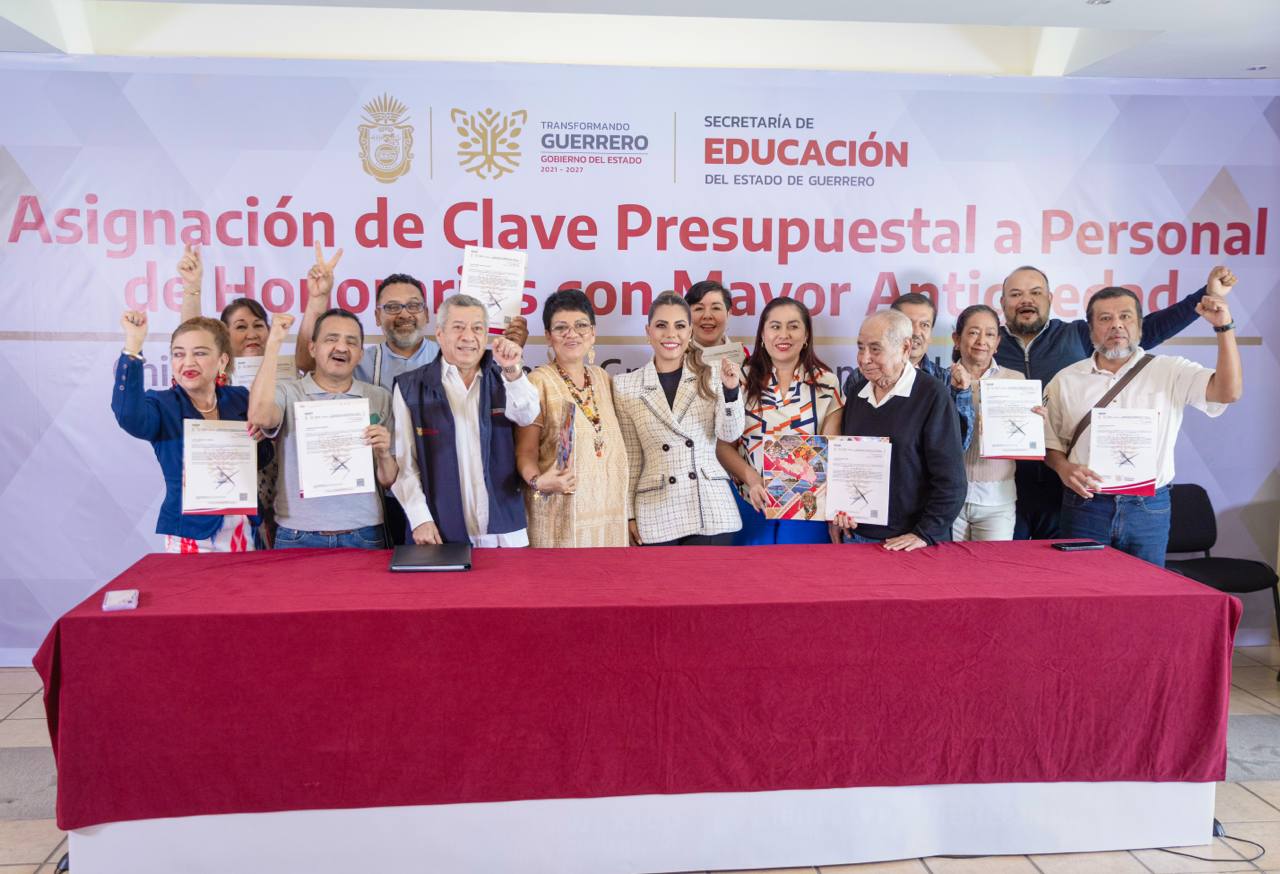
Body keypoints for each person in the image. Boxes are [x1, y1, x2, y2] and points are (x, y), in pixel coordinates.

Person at [997, 264, 1234, 539]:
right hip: (1007, 486)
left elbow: (1152, 328)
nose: (1026, 300)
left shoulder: (1078, 334)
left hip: (1072, 487)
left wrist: (1206, 295)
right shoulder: (987, 342)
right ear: (1003, 303)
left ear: (1050, 298)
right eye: (1016, 294)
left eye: (1036, 292)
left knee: (1066, 566)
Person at [391, 294, 538, 546]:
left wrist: (512, 369)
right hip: (439, 531)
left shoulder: (506, 377)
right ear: (440, 334)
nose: (468, 337)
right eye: (458, 327)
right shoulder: (411, 387)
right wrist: (419, 519)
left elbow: (528, 415)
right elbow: (406, 464)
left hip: (504, 532)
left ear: (486, 335)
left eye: (477, 328)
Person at [112, 311, 266, 553]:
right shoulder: (162, 404)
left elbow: (263, 458)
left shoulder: (240, 399)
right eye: (179, 354)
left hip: (244, 531)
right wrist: (133, 346)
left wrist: (260, 438)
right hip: (191, 535)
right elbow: (129, 416)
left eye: (200, 353)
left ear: (222, 361)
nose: (188, 362)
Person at [247, 311, 398, 549]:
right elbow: (259, 416)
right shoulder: (289, 393)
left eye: (351, 342)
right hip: (297, 534)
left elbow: (389, 480)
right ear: (312, 348)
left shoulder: (379, 397)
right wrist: (274, 343)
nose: (342, 347)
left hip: (364, 532)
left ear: (360, 354)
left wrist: (384, 453)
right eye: (331, 339)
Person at [823, 310, 965, 551]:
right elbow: (850, 466)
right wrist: (839, 512)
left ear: (905, 348)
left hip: (911, 543)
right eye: (860, 348)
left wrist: (924, 533)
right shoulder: (857, 394)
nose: (864, 358)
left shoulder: (932, 395)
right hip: (857, 535)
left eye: (875, 349)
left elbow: (952, 480)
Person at [613, 291, 745, 546]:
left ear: (690, 332)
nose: (671, 334)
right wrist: (628, 514)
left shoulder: (714, 373)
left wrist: (731, 390)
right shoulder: (625, 385)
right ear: (648, 331)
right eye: (661, 325)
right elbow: (631, 457)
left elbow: (729, 434)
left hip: (710, 507)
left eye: (680, 326)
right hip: (655, 511)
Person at [294, 245, 530, 386]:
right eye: (392, 307)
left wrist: (511, 351)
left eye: (413, 306)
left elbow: (500, 390)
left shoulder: (453, 354)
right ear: (377, 317)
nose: (404, 314)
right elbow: (307, 363)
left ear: (426, 315)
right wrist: (318, 298)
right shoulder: (360, 359)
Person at [175, 245, 282, 545]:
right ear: (223, 336)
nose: (252, 333)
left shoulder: (285, 375)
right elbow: (191, 334)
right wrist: (192, 288)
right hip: (232, 491)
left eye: (258, 325)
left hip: (282, 489)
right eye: (240, 326)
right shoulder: (212, 380)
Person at [715, 298, 843, 545]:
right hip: (750, 502)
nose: (784, 334)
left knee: (801, 569)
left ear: (806, 335)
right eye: (775, 326)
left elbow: (833, 449)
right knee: (748, 568)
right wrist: (752, 479)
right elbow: (723, 446)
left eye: (793, 326)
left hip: (806, 509)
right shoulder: (739, 379)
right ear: (763, 335)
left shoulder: (826, 384)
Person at [515, 289, 629, 547]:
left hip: (608, 519)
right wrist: (538, 481)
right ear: (548, 336)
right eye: (561, 328)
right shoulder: (537, 382)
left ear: (593, 332)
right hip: (558, 519)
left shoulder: (603, 378)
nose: (572, 333)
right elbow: (525, 451)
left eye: (581, 325)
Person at [949, 304, 1040, 542]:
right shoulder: (940, 380)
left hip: (997, 499)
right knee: (947, 564)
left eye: (990, 334)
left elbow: (1024, 437)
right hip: (949, 498)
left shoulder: (1015, 381)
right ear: (957, 339)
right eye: (973, 332)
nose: (982, 341)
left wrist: (1036, 426)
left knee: (991, 565)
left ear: (997, 342)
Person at [846, 293, 975, 451]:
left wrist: (960, 393)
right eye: (908, 323)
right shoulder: (860, 378)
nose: (915, 332)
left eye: (924, 325)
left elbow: (959, 446)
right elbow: (846, 441)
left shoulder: (944, 380)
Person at [686, 279, 748, 370]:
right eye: (699, 308)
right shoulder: (675, 358)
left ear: (728, 314)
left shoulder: (744, 357)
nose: (707, 316)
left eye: (716, 308)